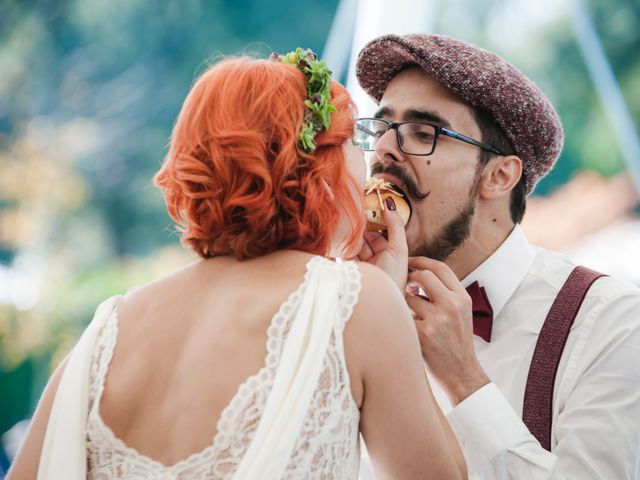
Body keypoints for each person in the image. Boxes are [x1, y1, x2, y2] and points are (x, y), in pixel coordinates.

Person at [7, 49, 466, 480]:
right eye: (353, 143)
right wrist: (382, 304)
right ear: (318, 167)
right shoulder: (355, 300)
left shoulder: (106, 331)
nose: (367, 165)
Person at [353, 33, 640, 479]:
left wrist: (465, 380)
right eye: (382, 129)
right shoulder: (353, 305)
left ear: (499, 175)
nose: (385, 150)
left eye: (422, 133)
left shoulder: (613, 324)